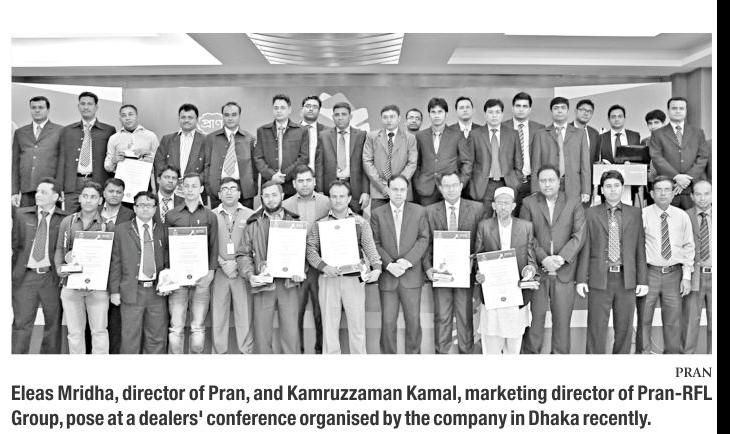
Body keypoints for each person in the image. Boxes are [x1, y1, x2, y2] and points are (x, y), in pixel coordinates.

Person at [576, 170, 648, 354]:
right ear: (602, 189)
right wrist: (581, 279)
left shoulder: (635, 213)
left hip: (626, 279)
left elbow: (639, 248)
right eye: (608, 186)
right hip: (600, 278)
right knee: (596, 329)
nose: (613, 189)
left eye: (616, 185)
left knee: (624, 329)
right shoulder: (590, 213)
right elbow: (585, 247)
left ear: (622, 188)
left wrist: (642, 280)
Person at [306, 180, 382, 354]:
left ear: (349, 198)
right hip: (328, 278)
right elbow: (310, 249)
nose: (338, 200)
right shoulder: (320, 224)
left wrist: (377, 268)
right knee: (329, 328)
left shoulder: (360, 222)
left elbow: (370, 247)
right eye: (334, 196)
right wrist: (323, 266)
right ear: (329, 198)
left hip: (354, 280)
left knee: (357, 326)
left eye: (342, 196)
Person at [519, 165, 586, 354]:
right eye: (543, 181)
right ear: (538, 182)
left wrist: (561, 258)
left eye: (551, 180)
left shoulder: (573, 202)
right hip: (538, 274)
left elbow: (579, 235)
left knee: (562, 323)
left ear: (559, 181)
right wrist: (543, 259)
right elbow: (526, 235)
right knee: (535, 322)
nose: (547, 184)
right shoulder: (529, 203)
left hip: (564, 272)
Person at [237, 181, 305, 354]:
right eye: (266, 196)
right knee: (262, 335)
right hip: (263, 284)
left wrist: (300, 270)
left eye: (274, 195)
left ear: (282, 196)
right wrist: (250, 275)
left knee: (291, 335)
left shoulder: (295, 221)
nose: (271, 199)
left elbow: (303, 252)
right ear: (261, 198)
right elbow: (243, 254)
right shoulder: (253, 223)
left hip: (288, 284)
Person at [423, 172, 484, 354]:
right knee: (442, 316)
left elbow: (481, 241)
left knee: (465, 316)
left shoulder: (477, 209)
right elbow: (425, 243)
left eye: (454, 185)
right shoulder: (429, 211)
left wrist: (475, 265)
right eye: (446, 186)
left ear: (461, 186)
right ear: (440, 189)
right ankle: (441, 354)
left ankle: (466, 354)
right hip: (440, 273)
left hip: (465, 273)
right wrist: (428, 268)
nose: (451, 189)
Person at [370, 175, 430, 354]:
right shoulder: (377, 213)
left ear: (407, 190)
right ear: (388, 190)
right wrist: (389, 265)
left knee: (413, 322)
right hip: (388, 277)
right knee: (388, 323)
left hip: (411, 276)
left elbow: (423, 239)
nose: (398, 193)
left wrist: (406, 262)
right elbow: (374, 243)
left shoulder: (419, 211)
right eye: (395, 189)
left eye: (402, 189)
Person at [474, 186, 537, 354]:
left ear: (513, 206)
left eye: (507, 203)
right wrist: (479, 273)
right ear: (493, 205)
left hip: (516, 293)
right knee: (491, 346)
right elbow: (478, 256)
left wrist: (529, 274)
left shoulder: (526, 227)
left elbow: (531, 259)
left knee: (513, 348)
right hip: (492, 293)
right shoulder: (484, 226)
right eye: (499, 203)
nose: (503, 206)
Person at [11, 177, 68, 354]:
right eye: (37, 191)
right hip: (25, 276)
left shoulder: (65, 219)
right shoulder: (21, 215)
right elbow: (14, 244)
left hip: (52, 278)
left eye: (44, 192)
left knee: (53, 325)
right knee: (21, 324)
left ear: (55, 196)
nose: (38, 195)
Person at [164, 172, 218, 354]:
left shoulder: (210, 216)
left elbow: (214, 245)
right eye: (186, 186)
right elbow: (166, 248)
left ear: (201, 189)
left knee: (198, 326)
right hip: (177, 280)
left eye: (194, 186)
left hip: (202, 279)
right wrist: (168, 273)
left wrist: (211, 272)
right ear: (181, 189)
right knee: (176, 327)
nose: (190, 190)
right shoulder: (171, 215)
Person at [108, 191, 168, 354]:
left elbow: (168, 260)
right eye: (141, 205)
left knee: (156, 336)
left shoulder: (162, 229)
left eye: (149, 205)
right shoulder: (121, 230)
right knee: (130, 336)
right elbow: (115, 262)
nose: (145, 208)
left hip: (156, 292)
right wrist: (114, 291)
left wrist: (168, 282)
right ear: (134, 208)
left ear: (155, 209)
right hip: (131, 290)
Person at [640, 175, 694, 354]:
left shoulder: (682, 216)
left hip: (674, 275)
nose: (663, 194)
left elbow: (689, 246)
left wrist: (686, 277)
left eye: (667, 190)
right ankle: (643, 355)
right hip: (649, 274)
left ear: (673, 194)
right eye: (659, 190)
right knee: (643, 318)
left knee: (673, 321)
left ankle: (671, 359)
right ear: (652, 194)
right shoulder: (642, 215)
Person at [55, 181, 110, 354]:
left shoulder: (107, 225)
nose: (88, 200)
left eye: (93, 197)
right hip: (71, 286)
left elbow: (112, 257)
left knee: (99, 332)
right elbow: (59, 248)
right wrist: (59, 268)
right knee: (75, 333)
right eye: (85, 196)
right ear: (79, 198)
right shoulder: (68, 222)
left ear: (100, 201)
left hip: (97, 288)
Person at [282, 165, 330, 354]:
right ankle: (298, 351)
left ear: (315, 181)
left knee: (321, 312)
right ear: (294, 184)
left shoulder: (327, 202)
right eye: (300, 181)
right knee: (296, 314)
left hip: (320, 266)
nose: (305, 184)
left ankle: (320, 351)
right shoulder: (286, 205)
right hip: (296, 267)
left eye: (308, 180)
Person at [210, 178, 255, 354]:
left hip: (242, 272)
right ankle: (219, 353)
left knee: (244, 315)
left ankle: (246, 353)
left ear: (239, 193)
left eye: (233, 188)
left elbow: (255, 243)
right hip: (219, 272)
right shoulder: (210, 215)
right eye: (224, 189)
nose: (229, 192)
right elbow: (206, 244)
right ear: (219, 194)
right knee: (218, 316)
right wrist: (223, 263)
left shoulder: (251, 215)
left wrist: (237, 264)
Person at [56, 91, 116, 212]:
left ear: (96, 107)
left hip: (98, 182)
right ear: (78, 106)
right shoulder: (67, 130)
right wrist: (59, 187)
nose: (86, 107)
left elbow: (111, 159)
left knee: (96, 218)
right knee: (70, 218)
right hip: (72, 184)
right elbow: (61, 160)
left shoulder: (108, 130)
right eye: (83, 104)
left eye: (89, 104)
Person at [648, 97, 710, 210]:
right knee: (668, 219)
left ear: (686, 111)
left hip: (692, 187)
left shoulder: (697, 132)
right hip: (668, 187)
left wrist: (687, 178)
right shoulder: (657, 134)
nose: (678, 111)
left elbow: (703, 157)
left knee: (692, 219)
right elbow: (656, 157)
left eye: (681, 108)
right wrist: (677, 177)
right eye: (674, 108)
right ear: (668, 110)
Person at [468, 98, 523, 217]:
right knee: (483, 220)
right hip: (484, 185)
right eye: (490, 112)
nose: (494, 115)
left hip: (507, 183)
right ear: (485, 114)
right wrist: (473, 183)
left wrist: (516, 181)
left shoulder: (512, 134)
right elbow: (469, 163)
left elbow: (518, 162)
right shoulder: (475, 134)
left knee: (506, 219)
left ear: (502, 114)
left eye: (497, 112)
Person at [532, 97, 591, 204]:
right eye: (556, 108)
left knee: (571, 213)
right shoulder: (540, 134)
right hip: (548, 184)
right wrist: (535, 189)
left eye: (563, 108)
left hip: (573, 185)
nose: (559, 111)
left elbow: (585, 165)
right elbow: (536, 165)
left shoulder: (580, 134)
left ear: (568, 111)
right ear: (551, 111)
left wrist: (586, 190)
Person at [97, 177, 133, 354]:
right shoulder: (93, 210)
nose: (114, 194)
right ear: (104, 193)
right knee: (94, 322)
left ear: (123, 195)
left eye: (119, 192)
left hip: (119, 272)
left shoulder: (131, 214)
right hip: (95, 272)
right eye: (111, 191)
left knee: (115, 320)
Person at [413, 97, 472, 206]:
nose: (436, 115)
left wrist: (460, 183)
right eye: (433, 112)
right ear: (429, 114)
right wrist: (418, 182)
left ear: (446, 114)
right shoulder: (420, 136)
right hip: (426, 188)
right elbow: (416, 162)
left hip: (450, 187)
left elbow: (467, 162)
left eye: (440, 112)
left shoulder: (457, 135)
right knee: (427, 216)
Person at [315, 101, 370, 214]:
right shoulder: (324, 136)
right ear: (333, 117)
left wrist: (365, 192)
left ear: (350, 116)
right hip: (330, 190)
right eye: (337, 115)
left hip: (355, 190)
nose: (340, 118)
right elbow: (319, 165)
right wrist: (319, 191)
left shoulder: (361, 135)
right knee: (330, 221)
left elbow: (365, 166)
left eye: (344, 114)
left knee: (355, 222)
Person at [362, 105, 418, 210]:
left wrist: (397, 185)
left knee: (403, 220)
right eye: (385, 117)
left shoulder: (410, 138)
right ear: (381, 119)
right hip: (379, 191)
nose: (389, 120)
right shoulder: (372, 136)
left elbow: (412, 163)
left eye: (392, 117)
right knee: (378, 219)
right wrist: (382, 187)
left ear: (399, 118)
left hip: (402, 191)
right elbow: (367, 161)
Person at [254, 94, 309, 198]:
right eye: (276, 108)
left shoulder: (301, 131)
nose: (279, 111)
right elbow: (258, 158)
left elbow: (304, 158)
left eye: (282, 108)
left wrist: (285, 176)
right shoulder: (262, 131)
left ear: (289, 110)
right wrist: (272, 176)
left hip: (292, 185)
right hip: (269, 185)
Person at [205, 101, 257, 209]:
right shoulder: (211, 138)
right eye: (226, 115)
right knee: (219, 219)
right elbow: (206, 165)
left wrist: (253, 187)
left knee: (245, 219)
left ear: (239, 116)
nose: (230, 118)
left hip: (244, 190)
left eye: (234, 115)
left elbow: (254, 167)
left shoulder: (250, 139)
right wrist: (209, 188)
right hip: (218, 189)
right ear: (222, 116)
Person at [12, 96, 62, 208]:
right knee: (25, 218)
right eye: (33, 107)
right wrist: (14, 191)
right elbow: (15, 164)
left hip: (50, 189)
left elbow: (62, 162)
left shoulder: (59, 131)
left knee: (49, 218)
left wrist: (60, 188)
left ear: (48, 110)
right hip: (26, 189)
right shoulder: (20, 132)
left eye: (41, 107)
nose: (37, 110)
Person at [501, 92, 545, 216]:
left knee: (530, 218)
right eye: (518, 106)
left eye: (525, 106)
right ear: (512, 108)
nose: (521, 109)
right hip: (509, 181)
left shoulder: (540, 129)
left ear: (530, 109)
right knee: (508, 217)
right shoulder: (502, 127)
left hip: (532, 182)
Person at [154, 103, 207, 203]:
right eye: (183, 117)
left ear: (197, 120)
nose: (186, 120)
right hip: (171, 190)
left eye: (190, 117)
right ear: (179, 119)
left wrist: (191, 182)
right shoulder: (167, 139)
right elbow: (159, 164)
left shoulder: (206, 140)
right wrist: (171, 180)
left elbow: (209, 167)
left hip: (195, 191)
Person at [681, 180, 712, 354]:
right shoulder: (684, 216)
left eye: (707, 193)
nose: (702, 198)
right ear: (692, 196)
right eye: (698, 194)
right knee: (690, 324)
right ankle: (686, 360)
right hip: (694, 276)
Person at [104, 104, 159, 175]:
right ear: (120, 119)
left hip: (144, 178)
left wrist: (149, 156)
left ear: (137, 116)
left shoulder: (150, 136)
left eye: (130, 114)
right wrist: (114, 160)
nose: (127, 118)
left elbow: (159, 163)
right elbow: (107, 167)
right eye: (124, 115)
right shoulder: (114, 138)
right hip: (121, 178)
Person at [571, 99, 601, 166]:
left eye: (589, 111)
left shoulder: (595, 134)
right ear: (576, 111)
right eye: (583, 110)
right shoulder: (565, 130)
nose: (586, 113)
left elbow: (595, 159)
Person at [300, 95, 326, 171]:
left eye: (315, 107)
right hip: (297, 176)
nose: (311, 109)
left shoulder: (326, 132)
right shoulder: (291, 131)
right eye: (308, 106)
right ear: (302, 109)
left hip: (320, 175)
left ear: (319, 111)